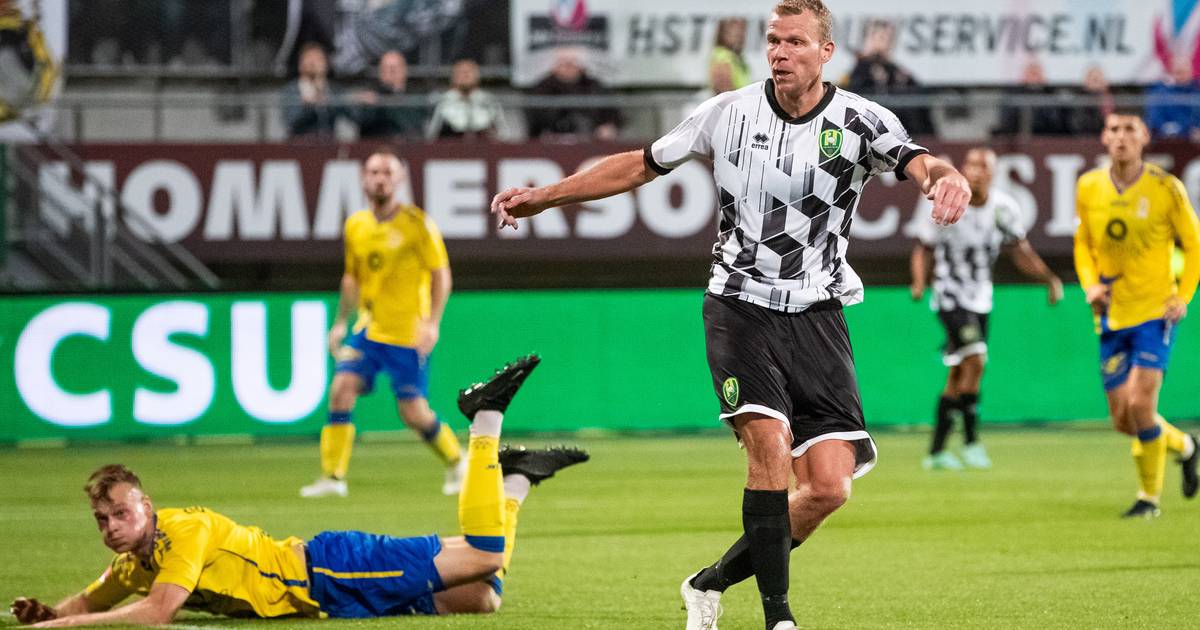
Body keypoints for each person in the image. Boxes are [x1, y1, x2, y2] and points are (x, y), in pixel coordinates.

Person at [489, 2, 971, 628]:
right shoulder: (728, 112)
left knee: (828, 487)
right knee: (768, 447)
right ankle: (779, 618)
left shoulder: (860, 120)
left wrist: (947, 176)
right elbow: (641, 162)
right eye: (773, 40)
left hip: (817, 313)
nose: (780, 52)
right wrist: (544, 196)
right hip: (738, 307)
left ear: (827, 53)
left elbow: (919, 161)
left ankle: (708, 582)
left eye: (795, 42)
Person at [8, 356, 590, 626]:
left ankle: (483, 420)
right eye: (103, 519)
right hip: (332, 598)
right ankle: (514, 480)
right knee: (484, 596)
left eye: (121, 513)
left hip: (331, 570)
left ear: (147, 508)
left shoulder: (183, 532)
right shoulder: (135, 564)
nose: (112, 526)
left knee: (488, 555)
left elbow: (157, 614)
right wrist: (47, 614)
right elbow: (89, 604)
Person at [300, 147, 461, 498]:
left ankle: (456, 460)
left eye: (387, 172)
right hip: (368, 330)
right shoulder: (355, 225)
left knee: (413, 413)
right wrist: (341, 322)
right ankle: (333, 477)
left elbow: (441, 276)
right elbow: (352, 278)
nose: (380, 179)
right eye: (374, 172)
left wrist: (433, 323)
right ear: (363, 178)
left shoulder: (417, 224)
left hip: (407, 333)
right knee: (341, 390)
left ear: (399, 179)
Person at [1073, 111, 1200, 518]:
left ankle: (1149, 500)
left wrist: (1183, 296)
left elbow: (1194, 247)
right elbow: (1083, 243)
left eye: (1130, 129)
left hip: (1154, 311)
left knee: (1142, 406)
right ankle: (1185, 445)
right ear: (1104, 137)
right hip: (1111, 316)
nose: (1122, 136)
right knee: (1124, 420)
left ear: (1145, 138)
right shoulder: (1089, 186)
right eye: (1114, 129)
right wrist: (1090, 284)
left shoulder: (1167, 187)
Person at [910, 148, 1063, 471]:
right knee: (977, 360)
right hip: (950, 296)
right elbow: (922, 248)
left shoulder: (1003, 208)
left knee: (959, 373)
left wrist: (1049, 279)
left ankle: (936, 451)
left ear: (993, 174)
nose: (976, 171)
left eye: (983, 166)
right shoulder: (946, 200)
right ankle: (971, 443)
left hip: (982, 298)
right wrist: (919, 282)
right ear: (963, 169)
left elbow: (1020, 250)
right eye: (971, 165)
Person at [845, 20, 934, 137]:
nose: (885, 43)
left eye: (889, 39)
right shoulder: (860, 70)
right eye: (880, 38)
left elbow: (919, 100)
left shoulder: (898, 72)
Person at [526, 47, 620, 141]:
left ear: (582, 66)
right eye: (563, 62)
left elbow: (612, 114)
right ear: (554, 66)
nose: (568, 67)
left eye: (573, 63)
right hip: (551, 142)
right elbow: (534, 120)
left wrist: (608, 126)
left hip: (590, 141)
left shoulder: (595, 87)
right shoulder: (541, 88)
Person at [281, 42, 350, 140]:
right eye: (310, 58)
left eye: (318, 59)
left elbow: (348, 113)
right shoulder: (290, 89)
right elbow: (290, 120)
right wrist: (307, 106)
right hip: (299, 145)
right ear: (300, 64)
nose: (314, 63)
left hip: (328, 145)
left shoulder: (334, 88)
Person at [355, 50, 427, 141]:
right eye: (385, 68)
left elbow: (416, 126)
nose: (390, 72)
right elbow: (362, 124)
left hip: (410, 147)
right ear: (380, 73)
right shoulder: (372, 96)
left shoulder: (417, 95)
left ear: (404, 70)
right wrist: (369, 105)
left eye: (394, 68)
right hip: (379, 147)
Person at [426, 59, 505, 140]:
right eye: (460, 72)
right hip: (451, 144)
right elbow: (432, 134)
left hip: (483, 144)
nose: (465, 75)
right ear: (453, 77)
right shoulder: (442, 101)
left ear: (477, 76)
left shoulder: (489, 100)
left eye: (469, 72)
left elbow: (503, 132)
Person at [1145, 55, 1200, 141]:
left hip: (1194, 143)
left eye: (1185, 72)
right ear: (1171, 72)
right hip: (1164, 141)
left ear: (1191, 72)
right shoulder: (1160, 93)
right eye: (1178, 72)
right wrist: (1181, 130)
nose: (1182, 76)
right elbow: (1154, 119)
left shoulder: (1197, 92)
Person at [710, 17, 751, 95]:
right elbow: (723, 88)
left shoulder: (738, 56)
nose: (738, 35)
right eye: (732, 31)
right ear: (723, 32)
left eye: (741, 30)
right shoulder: (722, 55)